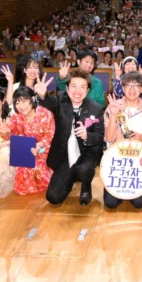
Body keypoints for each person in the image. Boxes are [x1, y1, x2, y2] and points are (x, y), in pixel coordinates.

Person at [36, 71, 104, 206]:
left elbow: (100, 137)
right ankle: (72, 176)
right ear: (67, 88)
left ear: (87, 91)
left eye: (82, 87)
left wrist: (87, 136)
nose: (77, 91)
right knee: (53, 197)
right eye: (74, 86)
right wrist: (43, 95)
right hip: (65, 155)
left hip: (87, 153)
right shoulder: (61, 99)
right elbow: (50, 102)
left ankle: (86, 185)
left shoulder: (96, 108)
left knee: (84, 169)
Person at [103, 72, 142, 209]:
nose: (132, 89)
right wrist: (113, 115)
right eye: (128, 85)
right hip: (119, 159)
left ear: (141, 89)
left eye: (136, 86)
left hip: (141, 159)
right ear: (123, 88)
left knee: (139, 203)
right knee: (110, 203)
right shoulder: (114, 106)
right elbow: (109, 138)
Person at [1, 86, 55, 195]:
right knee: (23, 169)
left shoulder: (45, 114)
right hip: (28, 151)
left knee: (38, 170)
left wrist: (39, 146)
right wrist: (4, 131)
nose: (21, 106)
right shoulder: (17, 117)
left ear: (33, 99)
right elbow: (11, 134)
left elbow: (50, 136)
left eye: (24, 101)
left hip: (45, 150)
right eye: (17, 103)